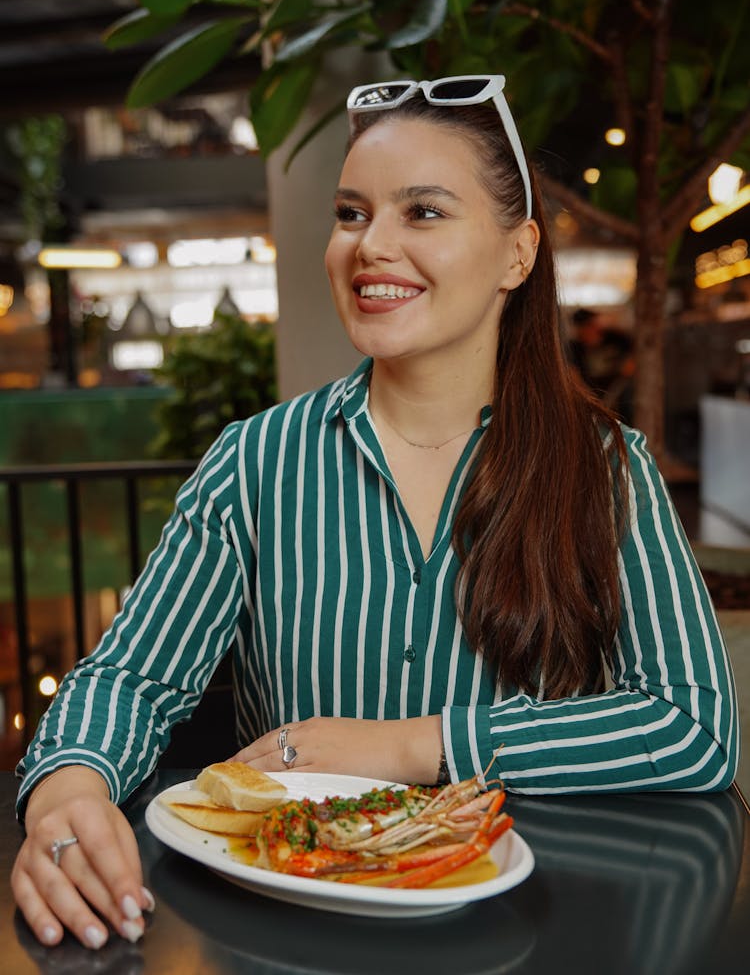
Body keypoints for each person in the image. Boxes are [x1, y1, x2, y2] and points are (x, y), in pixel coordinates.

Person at [12, 75, 738, 950]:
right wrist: (69, 788)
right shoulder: (256, 462)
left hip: (523, 934)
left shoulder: (605, 467)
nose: (371, 246)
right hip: (287, 930)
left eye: (422, 213)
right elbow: (130, 678)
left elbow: (693, 727)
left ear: (518, 254)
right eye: (352, 213)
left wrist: (406, 746)